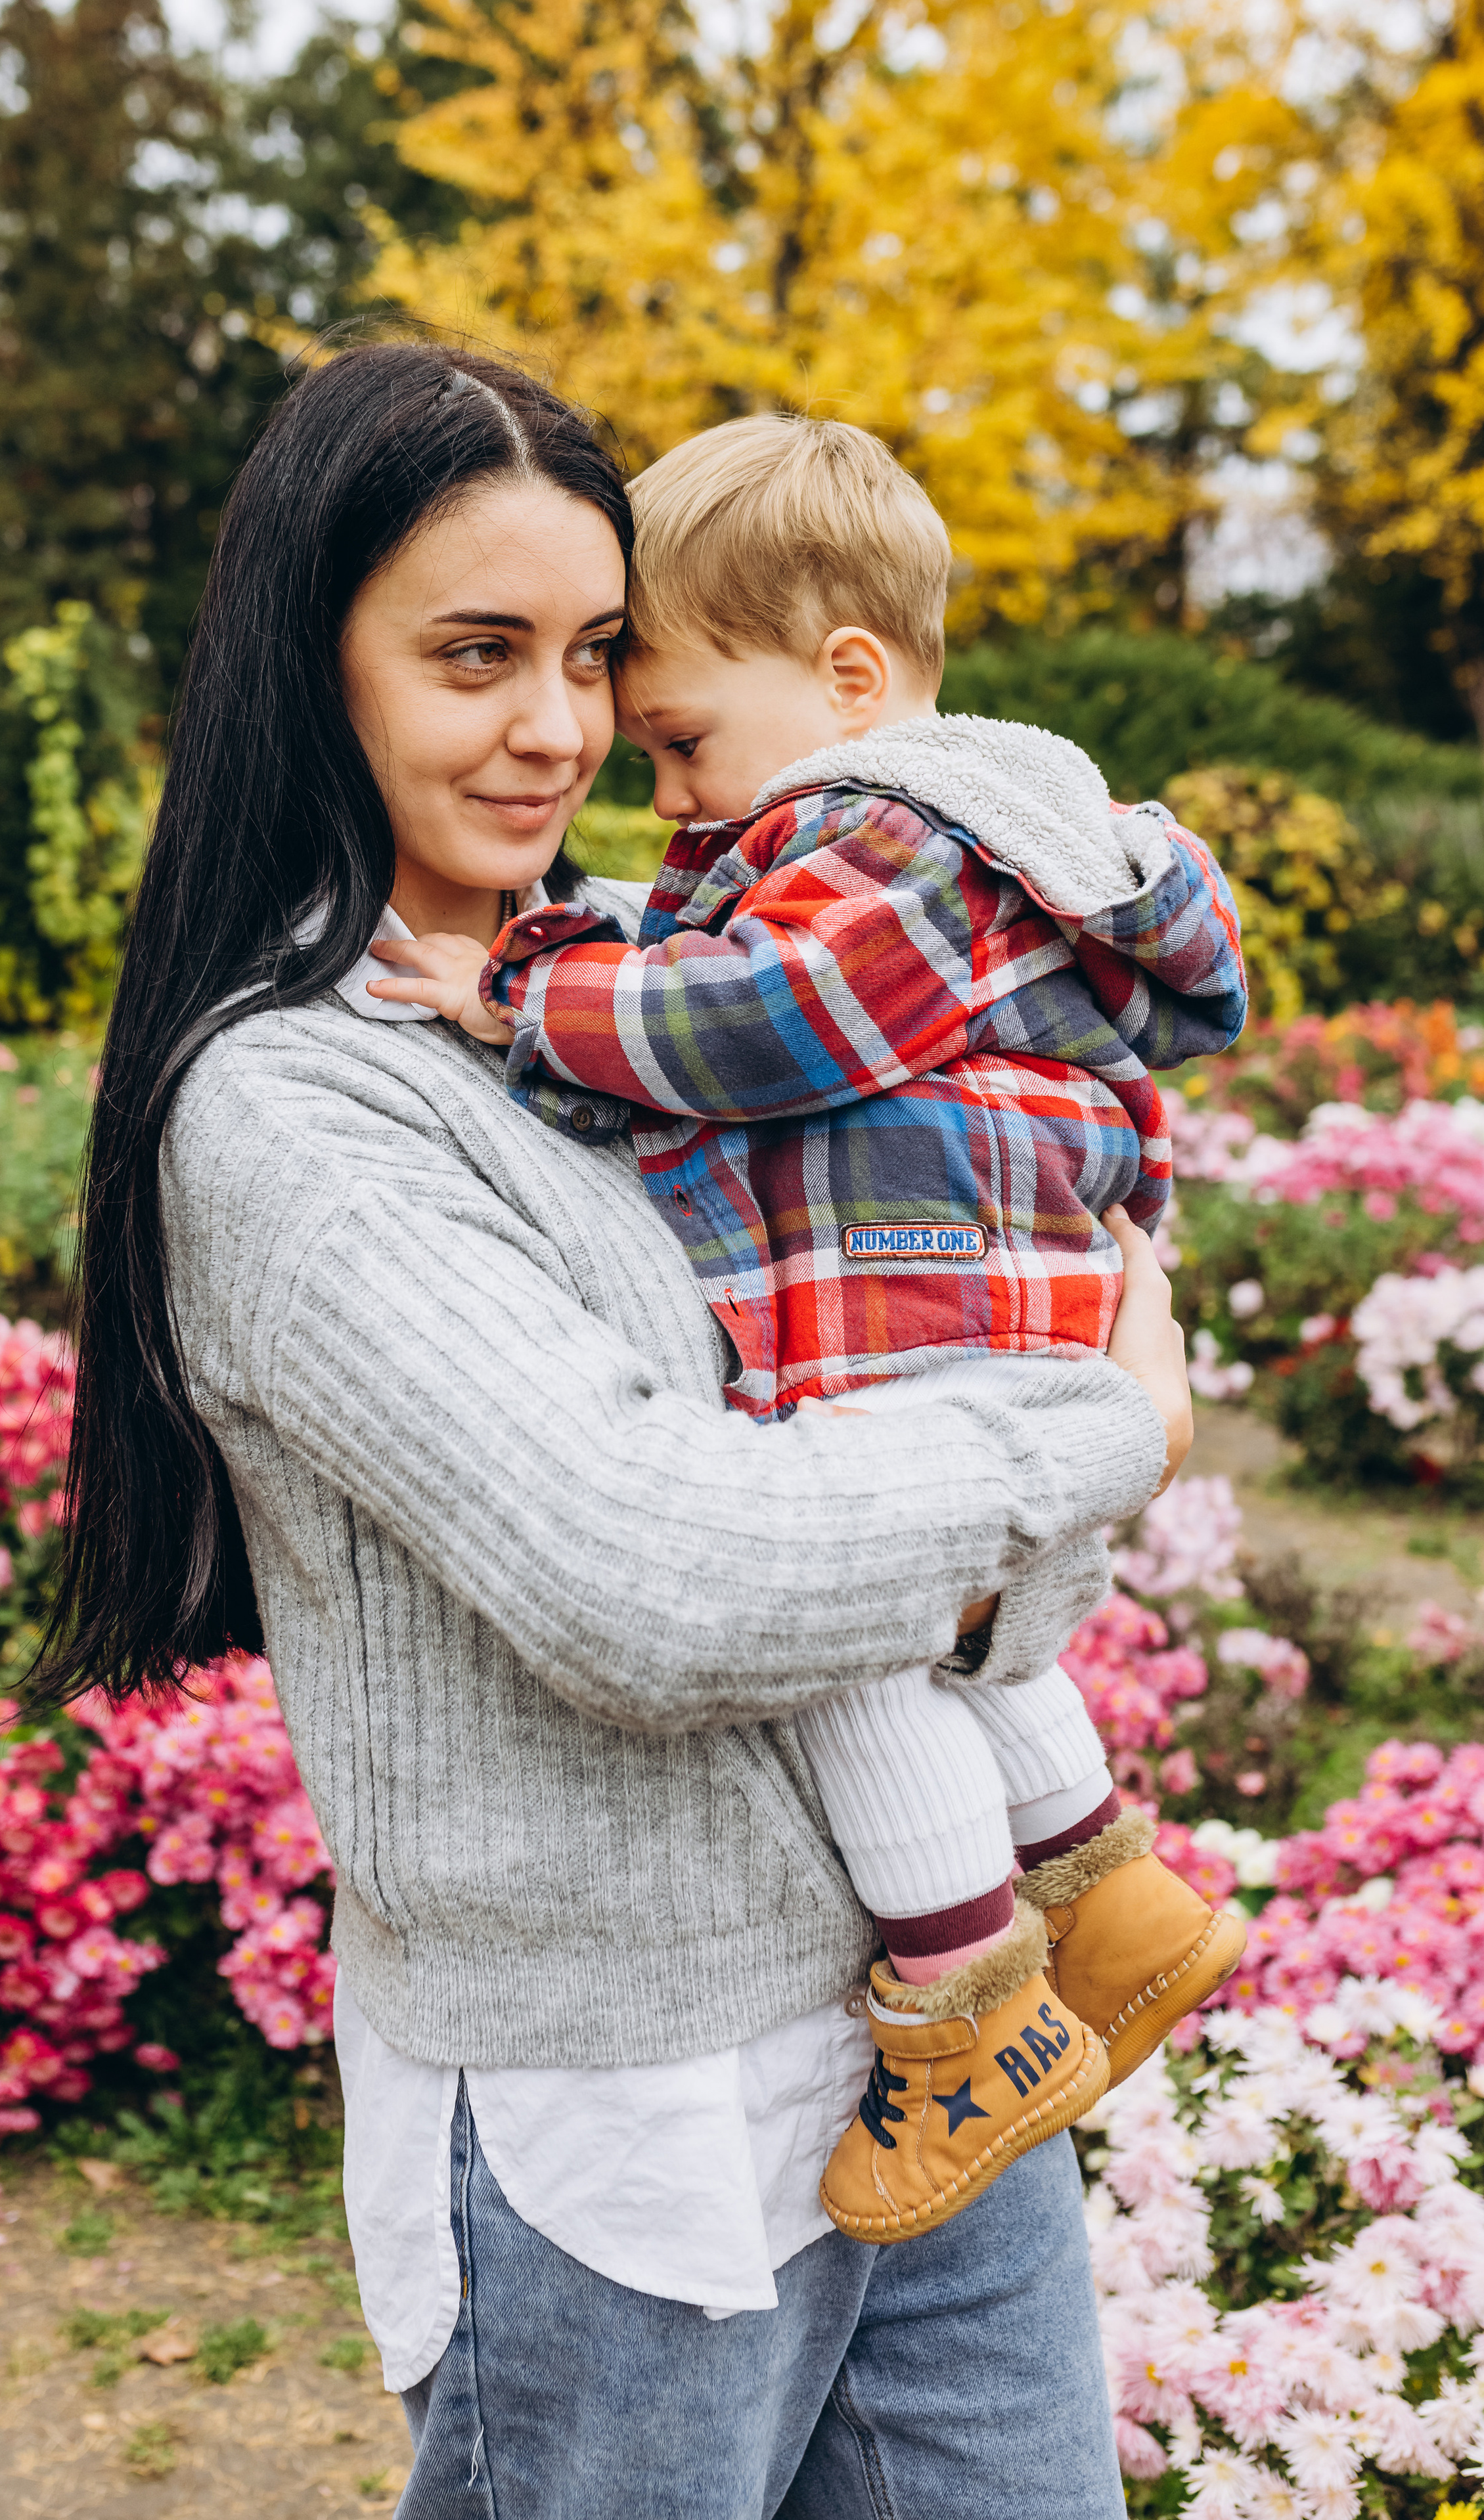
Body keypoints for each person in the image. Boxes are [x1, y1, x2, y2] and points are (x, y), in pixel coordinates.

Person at [34, 339, 1195, 2519]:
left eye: (592, 656)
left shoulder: (667, 988)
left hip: (938, 2043)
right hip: (625, 2129)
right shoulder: (297, 1106)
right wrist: (1103, 1428)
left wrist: (1005, 1438)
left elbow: (922, 1489)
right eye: (477, 657)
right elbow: (671, 1577)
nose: (560, 731)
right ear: (321, 667)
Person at [372, 411, 1249, 2245]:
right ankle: (1109, 1898)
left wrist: (529, 988)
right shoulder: (965, 835)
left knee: (848, 1637)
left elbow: (764, 1026)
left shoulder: (884, 833)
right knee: (951, 1643)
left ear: (850, 678)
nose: (663, 793)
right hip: (983, 1299)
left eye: (680, 738)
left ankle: (971, 2013)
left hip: (923, 1307)